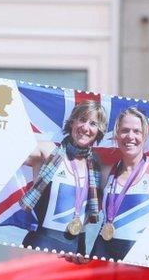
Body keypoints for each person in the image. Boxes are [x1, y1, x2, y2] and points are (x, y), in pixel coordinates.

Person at [91, 107, 149, 261]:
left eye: (137, 131)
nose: (130, 136)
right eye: (125, 130)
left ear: (146, 135)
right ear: (116, 134)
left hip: (140, 270)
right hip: (105, 263)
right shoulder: (106, 172)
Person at [20, 100, 107, 255]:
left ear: (98, 131)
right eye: (82, 119)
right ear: (72, 122)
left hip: (76, 249)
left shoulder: (95, 164)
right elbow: (9, 151)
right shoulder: (48, 151)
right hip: (41, 245)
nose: (85, 127)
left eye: (93, 123)